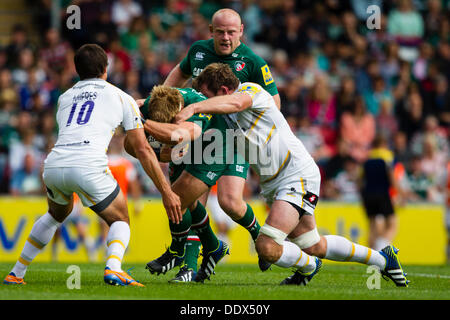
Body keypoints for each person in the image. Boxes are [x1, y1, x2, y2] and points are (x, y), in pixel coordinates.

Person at [175, 63, 409, 287]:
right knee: (312, 243)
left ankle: (309, 266)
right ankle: (382, 259)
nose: (203, 100)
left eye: (206, 95)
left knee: (267, 246)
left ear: (223, 90)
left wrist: (195, 106)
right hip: (275, 183)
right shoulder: (222, 112)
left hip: (296, 175)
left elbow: (236, 103)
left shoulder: (251, 91)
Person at [3, 44, 182, 287]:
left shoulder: (65, 97)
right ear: (105, 69)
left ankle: (17, 272)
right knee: (120, 219)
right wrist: (166, 191)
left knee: (56, 215)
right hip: (87, 164)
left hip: (54, 164)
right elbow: (142, 149)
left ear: (77, 70)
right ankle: (114, 269)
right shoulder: (121, 96)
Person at [160, 8, 279, 273]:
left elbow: (274, 102)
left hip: (234, 140)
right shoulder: (198, 51)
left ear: (241, 31)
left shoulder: (253, 62)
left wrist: (260, 130)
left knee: (230, 203)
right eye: (220, 32)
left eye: (231, 32)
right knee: (192, 201)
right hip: (200, 136)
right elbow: (178, 74)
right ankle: (190, 267)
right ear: (211, 31)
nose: (225, 37)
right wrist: (164, 99)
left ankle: (259, 238)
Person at [138, 85, 263, 282]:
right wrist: (152, 149)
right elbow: (135, 141)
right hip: (190, 148)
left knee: (224, 202)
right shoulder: (152, 104)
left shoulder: (195, 109)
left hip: (218, 146)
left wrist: (145, 126)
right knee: (187, 203)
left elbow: (182, 135)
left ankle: (182, 254)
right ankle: (210, 249)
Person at [359, 135, 401, 251]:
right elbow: (391, 177)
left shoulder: (367, 158)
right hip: (382, 193)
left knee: (372, 226)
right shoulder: (387, 157)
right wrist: (400, 194)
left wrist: (363, 196)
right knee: (392, 224)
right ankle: (381, 247)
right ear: (384, 144)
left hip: (368, 195)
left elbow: (359, 180)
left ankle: (370, 255)